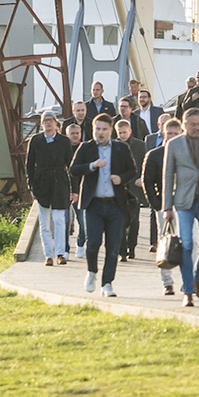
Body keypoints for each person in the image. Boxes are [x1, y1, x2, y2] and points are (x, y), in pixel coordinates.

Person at [162, 108, 199, 306]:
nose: (196, 128)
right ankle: (187, 292)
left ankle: (197, 279)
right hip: (184, 202)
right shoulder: (174, 144)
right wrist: (167, 207)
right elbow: (168, 175)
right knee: (186, 245)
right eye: (192, 124)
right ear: (184, 125)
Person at [69, 117, 133, 297]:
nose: (100, 133)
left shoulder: (121, 148)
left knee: (113, 247)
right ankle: (92, 271)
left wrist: (121, 178)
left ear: (111, 131)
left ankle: (107, 284)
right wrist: (92, 165)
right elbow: (73, 169)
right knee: (93, 243)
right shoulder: (86, 148)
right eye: (97, 129)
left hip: (115, 204)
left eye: (104, 129)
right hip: (94, 204)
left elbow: (132, 170)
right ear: (93, 129)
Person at [25, 113, 73, 266]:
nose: (48, 123)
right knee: (44, 221)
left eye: (51, 120)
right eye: (45, 121)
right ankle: (48, 255)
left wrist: (73, 188)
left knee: (59, 219)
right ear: (41, 124)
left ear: (56, 123)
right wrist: (31, 185)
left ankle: (60, 253)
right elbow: (29, 164)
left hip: (59, 182)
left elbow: (70, 165)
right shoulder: (36, 140)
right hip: (42, 182)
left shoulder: (64, 141)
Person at [141, 115, 182, 295]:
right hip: (163, 206)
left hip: (184, 205)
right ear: (163, 133)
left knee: (189, 242)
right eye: (169, 133)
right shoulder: (154, 154)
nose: (171, 136)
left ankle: (187, 280)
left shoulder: (187, 153)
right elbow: (147, 182)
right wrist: (157, 205)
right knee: (164, 242)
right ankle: (167, 282)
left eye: (175, 133)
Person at [114, 118, 150, 261]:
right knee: (119, 220)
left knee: (134, 219)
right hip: (119, 187)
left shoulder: (140, 145)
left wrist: (143, 178)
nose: (122, 135)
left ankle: (132, 247)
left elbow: (145, 164)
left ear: (130, 131)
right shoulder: (113, 146)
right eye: (119, 133)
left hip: (135, 187)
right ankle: (122, 251)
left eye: (124, 132)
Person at [64, 121, 85, 258]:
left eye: (77, 133)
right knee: (65, 222)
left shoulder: (84, 149)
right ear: (67, 135)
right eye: (72, 133)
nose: (75, 135)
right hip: (65, 190)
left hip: (82, 191)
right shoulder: (63, 149)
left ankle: (80, 244)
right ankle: (65, 248)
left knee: (83, 222)